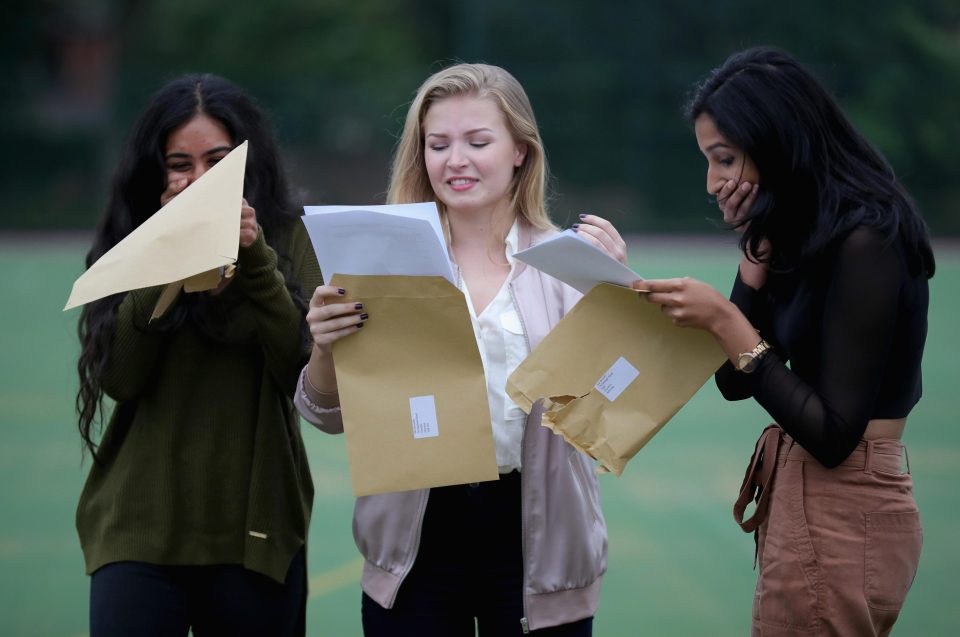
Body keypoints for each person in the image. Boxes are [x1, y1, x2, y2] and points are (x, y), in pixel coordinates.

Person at [295, 63, 626, 636]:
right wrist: (324, 348)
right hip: (416, 541)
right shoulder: (381, 262)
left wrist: (617, 306)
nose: (456, 160)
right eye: (438, 143)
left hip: (535, 538)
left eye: (478, 141)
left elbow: (607, 415)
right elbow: (325, 414)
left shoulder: (568, 264)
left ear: (520, 150)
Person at [639, 47, 934, 636]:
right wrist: (753, 268)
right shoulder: (805, 236)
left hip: (845, 506)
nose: (712, 182)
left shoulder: (866, 239)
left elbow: (832, 434)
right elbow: (733, 382)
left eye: (723, 159)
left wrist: (725, 319)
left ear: (776, 143)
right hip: (816, 503)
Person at [74, 74, 321, 636]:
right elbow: (119, 377)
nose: (199, 180)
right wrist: (163, 258)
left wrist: (254, 261)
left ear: (247, 162)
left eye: (218, 160)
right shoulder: (133, 236)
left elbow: (301, 376)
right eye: (180, 164)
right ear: (156, 173)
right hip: (136, 534)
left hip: (255, 536)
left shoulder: (290, 236)